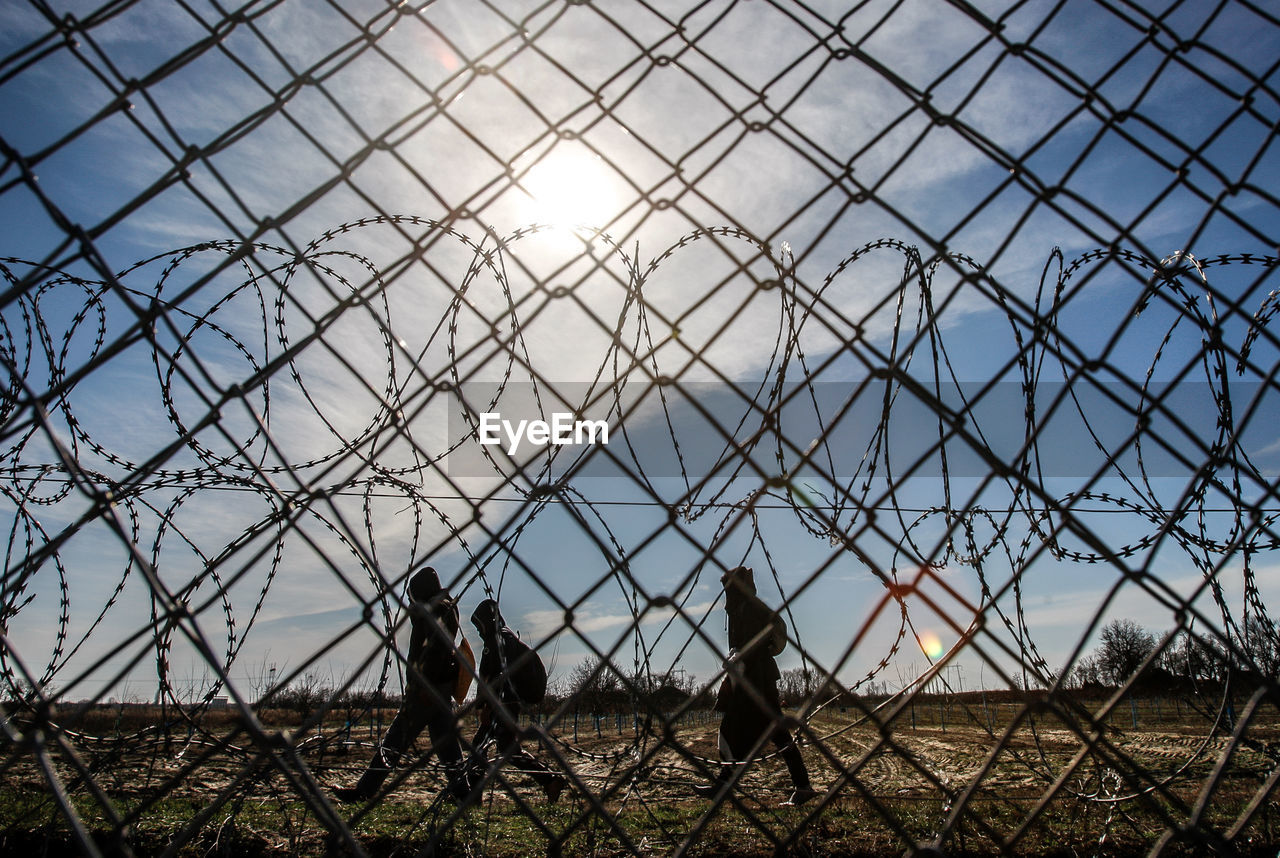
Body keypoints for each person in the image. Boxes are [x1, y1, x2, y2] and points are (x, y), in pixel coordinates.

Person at [334, 566, 475, 803]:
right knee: (447, 743)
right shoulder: (444, 608)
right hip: (439, 687)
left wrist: (423, 685)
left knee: (395, 740)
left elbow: (436, 650)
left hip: (427, 687)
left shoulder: (436, 610)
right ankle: (464, 794)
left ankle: (364, 791)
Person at [694, 566, 815, 806]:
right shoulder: (741, 609)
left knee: (736, 728)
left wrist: (739, 657)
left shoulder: (750, 609)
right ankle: (801, 785)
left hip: (757, 679)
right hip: (752, 679)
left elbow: (757, 644)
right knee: (766, 731)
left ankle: (724, 785)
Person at [466, 598, 567, 802]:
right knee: (506, 749)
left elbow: (496, 678)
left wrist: (487, 706)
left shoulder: (498, 641)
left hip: (501, 705)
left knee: (481, 747)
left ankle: (472, 795)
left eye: (479, 625)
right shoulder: (505, 638)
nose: (478, 631)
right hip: (506, 704)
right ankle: (550, 780)